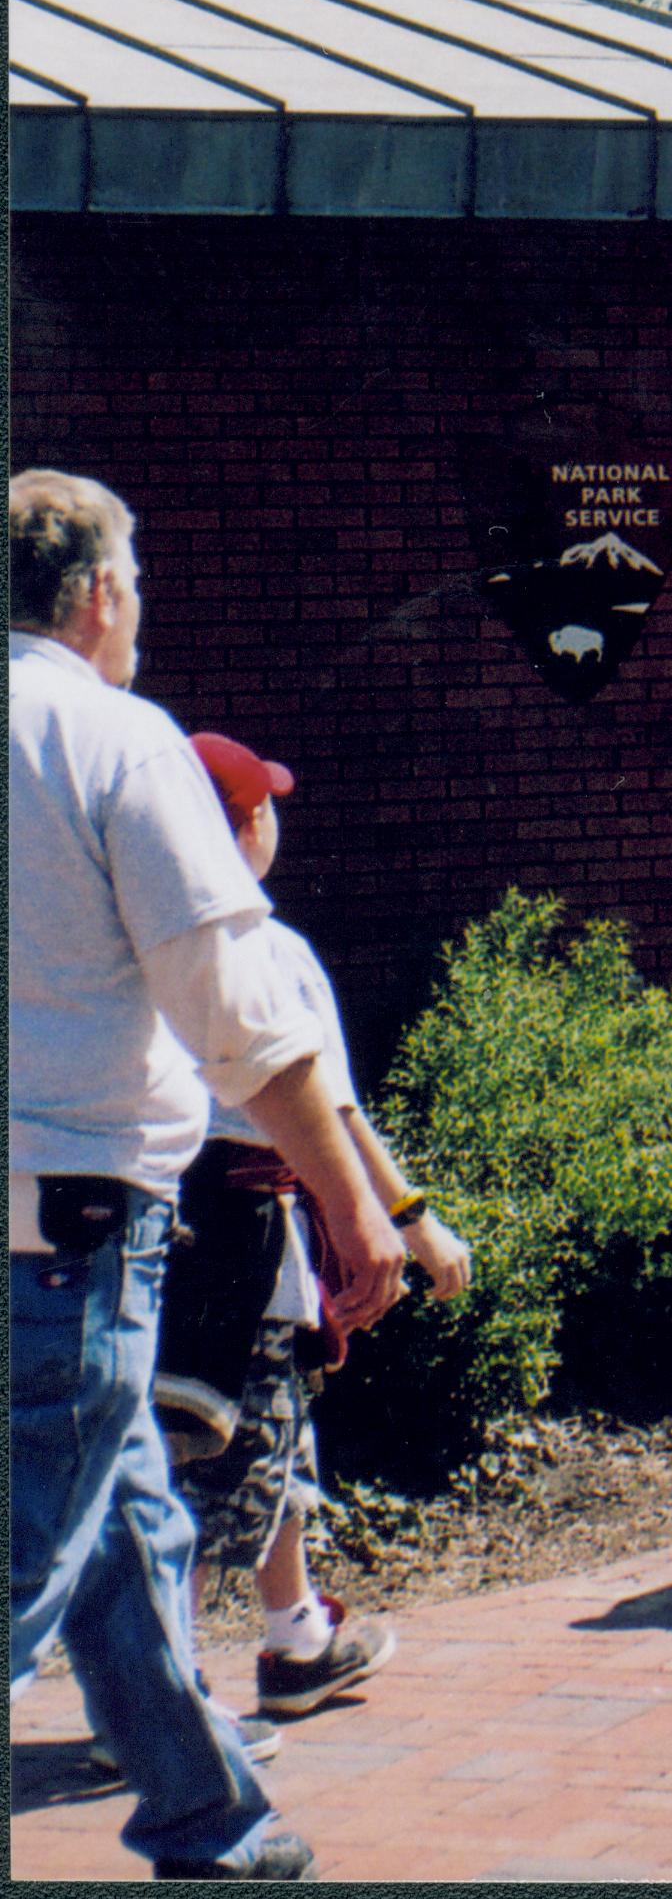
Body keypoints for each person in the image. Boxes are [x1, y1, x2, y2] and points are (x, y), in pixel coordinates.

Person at [12, 467, 405, 1880]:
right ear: (99, 595)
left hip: (49, 1228)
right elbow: (234, 1003)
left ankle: (213, 1826)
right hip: (66, 1225)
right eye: (138, 594)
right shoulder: (116, 741)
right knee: (22, 1560)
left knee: (121, 1532)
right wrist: (358, 1207)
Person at [157, 731, 474, 1726]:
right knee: (226, 1446)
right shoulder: (269, 948)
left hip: (149, 1221)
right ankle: (161, 1699)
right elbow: (330, 1108)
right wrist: (410, 1221)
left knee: (249, 1429)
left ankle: (295, 1632)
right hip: (248, 1223)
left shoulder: (138, 942)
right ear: (247, 825)